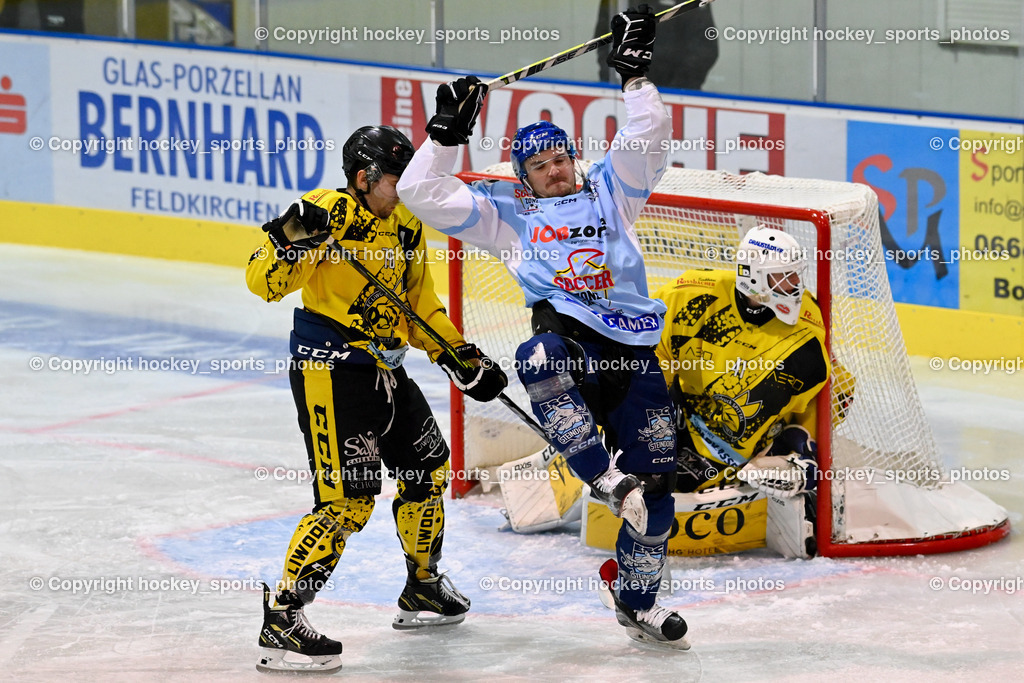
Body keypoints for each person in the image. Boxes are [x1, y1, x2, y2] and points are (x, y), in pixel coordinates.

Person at [399, 5, 689, 650]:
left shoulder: (613, 190)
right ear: (522, 176)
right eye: (540, 165)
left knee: (657, 501)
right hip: (572, 345)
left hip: (634, 353)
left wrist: (635, 74)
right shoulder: (506, 213)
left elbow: (648, 134)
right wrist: (445, 134)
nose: (554, 168)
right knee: (539, 355)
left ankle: (637, 600)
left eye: (561, 157)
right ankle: (601, 477)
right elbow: (422, 192)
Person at [245, 125, 507, 674]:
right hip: (331, 371)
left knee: (427, 469)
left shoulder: (406, 221)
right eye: (394, 180)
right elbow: (263, 283)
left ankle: (423, 585)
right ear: (364, 178)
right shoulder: (327, 211)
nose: (403, 189)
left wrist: (459, 355)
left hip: (386, 369)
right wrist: (291, 238)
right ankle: (282, 617)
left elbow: (418, 305)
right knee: (347, 502)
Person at [654, 226, 850, 502]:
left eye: (796, 273)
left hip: (746, 433)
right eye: (784, 275)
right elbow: (649, 363)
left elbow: (838, 388)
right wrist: (648, 425)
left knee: (682, 485)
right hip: (688, 409)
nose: (796, 283)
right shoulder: (688, 295)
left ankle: (790, 464)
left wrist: (804, 444)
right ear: (753, 276)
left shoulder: (805, 334)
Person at [595, 0, 718, 90]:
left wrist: (678, 89)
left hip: (680, 92)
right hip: (630, 90)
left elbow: (705, 50)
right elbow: (605, 41)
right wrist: (624, 81)